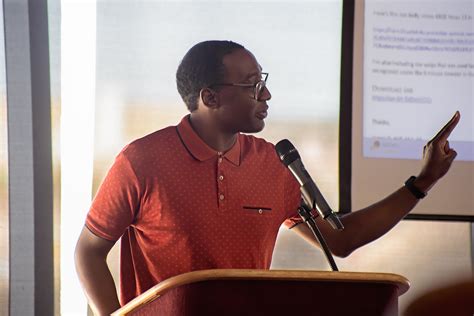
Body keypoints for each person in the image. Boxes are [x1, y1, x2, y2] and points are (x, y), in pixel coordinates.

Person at [74, 40, 460, 315]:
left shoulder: (274, 164)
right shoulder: (142, 160)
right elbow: (89, 252)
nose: (268, 94)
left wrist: (421, 183)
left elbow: (341, 240)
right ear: (210, 97)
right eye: (253, 85)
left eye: (263, 81)